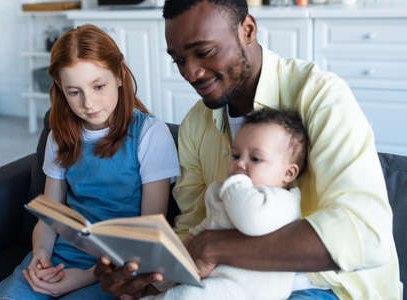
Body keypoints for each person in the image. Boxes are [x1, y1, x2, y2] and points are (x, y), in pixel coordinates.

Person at [94, 0, 402, 299]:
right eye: (178, 60)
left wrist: (216, 247)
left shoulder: (320, 96)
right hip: (230, 286)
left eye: (204, 52)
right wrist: (147, 275)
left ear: (248, 30)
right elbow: (193, 230)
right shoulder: (195, 126)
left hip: (330, 288)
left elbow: (365, 235)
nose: (191, 73)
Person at [0, 24, 180, 300]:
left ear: (120, 75)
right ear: (60, 89)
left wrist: (87, 276)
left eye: (98, 86)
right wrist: (41, 254)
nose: (88, 103)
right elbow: (50, 216)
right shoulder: (61, 134)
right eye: (74, 92)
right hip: (60, 257)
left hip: (116, 268)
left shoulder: (150, 134)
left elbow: (150, 234)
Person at [143, 108, 308, 300]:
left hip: (250, 290)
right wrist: (161, 280)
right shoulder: (226, 194)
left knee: (187, 297)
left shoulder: (284, 201)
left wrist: (235, 183)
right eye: (236, 155)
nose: (240, 164)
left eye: (255, 158)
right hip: (216, 282)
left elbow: (251, 220)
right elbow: (200, 234)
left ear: (288, 173)